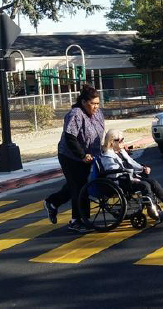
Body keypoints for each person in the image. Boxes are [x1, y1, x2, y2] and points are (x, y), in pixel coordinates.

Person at [44, 84, 105, 233]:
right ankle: (77, 220)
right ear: (84, 102)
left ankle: (52, 202)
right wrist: (82, 155)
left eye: (98, 103)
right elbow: (70, 138)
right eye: (93, 104)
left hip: (91, 155)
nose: (96, 107)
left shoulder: (97, 114)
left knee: (76, 184)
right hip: (70, 156)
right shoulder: (75, 114)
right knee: (80, 186)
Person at [100, 129, 163, 219]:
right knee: (145, 185)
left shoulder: (121, 151)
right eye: (121, 140)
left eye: (123, 139)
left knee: (153, 182)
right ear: (112, 142)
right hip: (120, 181)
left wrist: (143, 168)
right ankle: (153, 212)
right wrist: (132, 178)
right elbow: (114, 172)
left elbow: (132, 163)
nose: (123, 142)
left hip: (129, 177)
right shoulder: (107, 156)